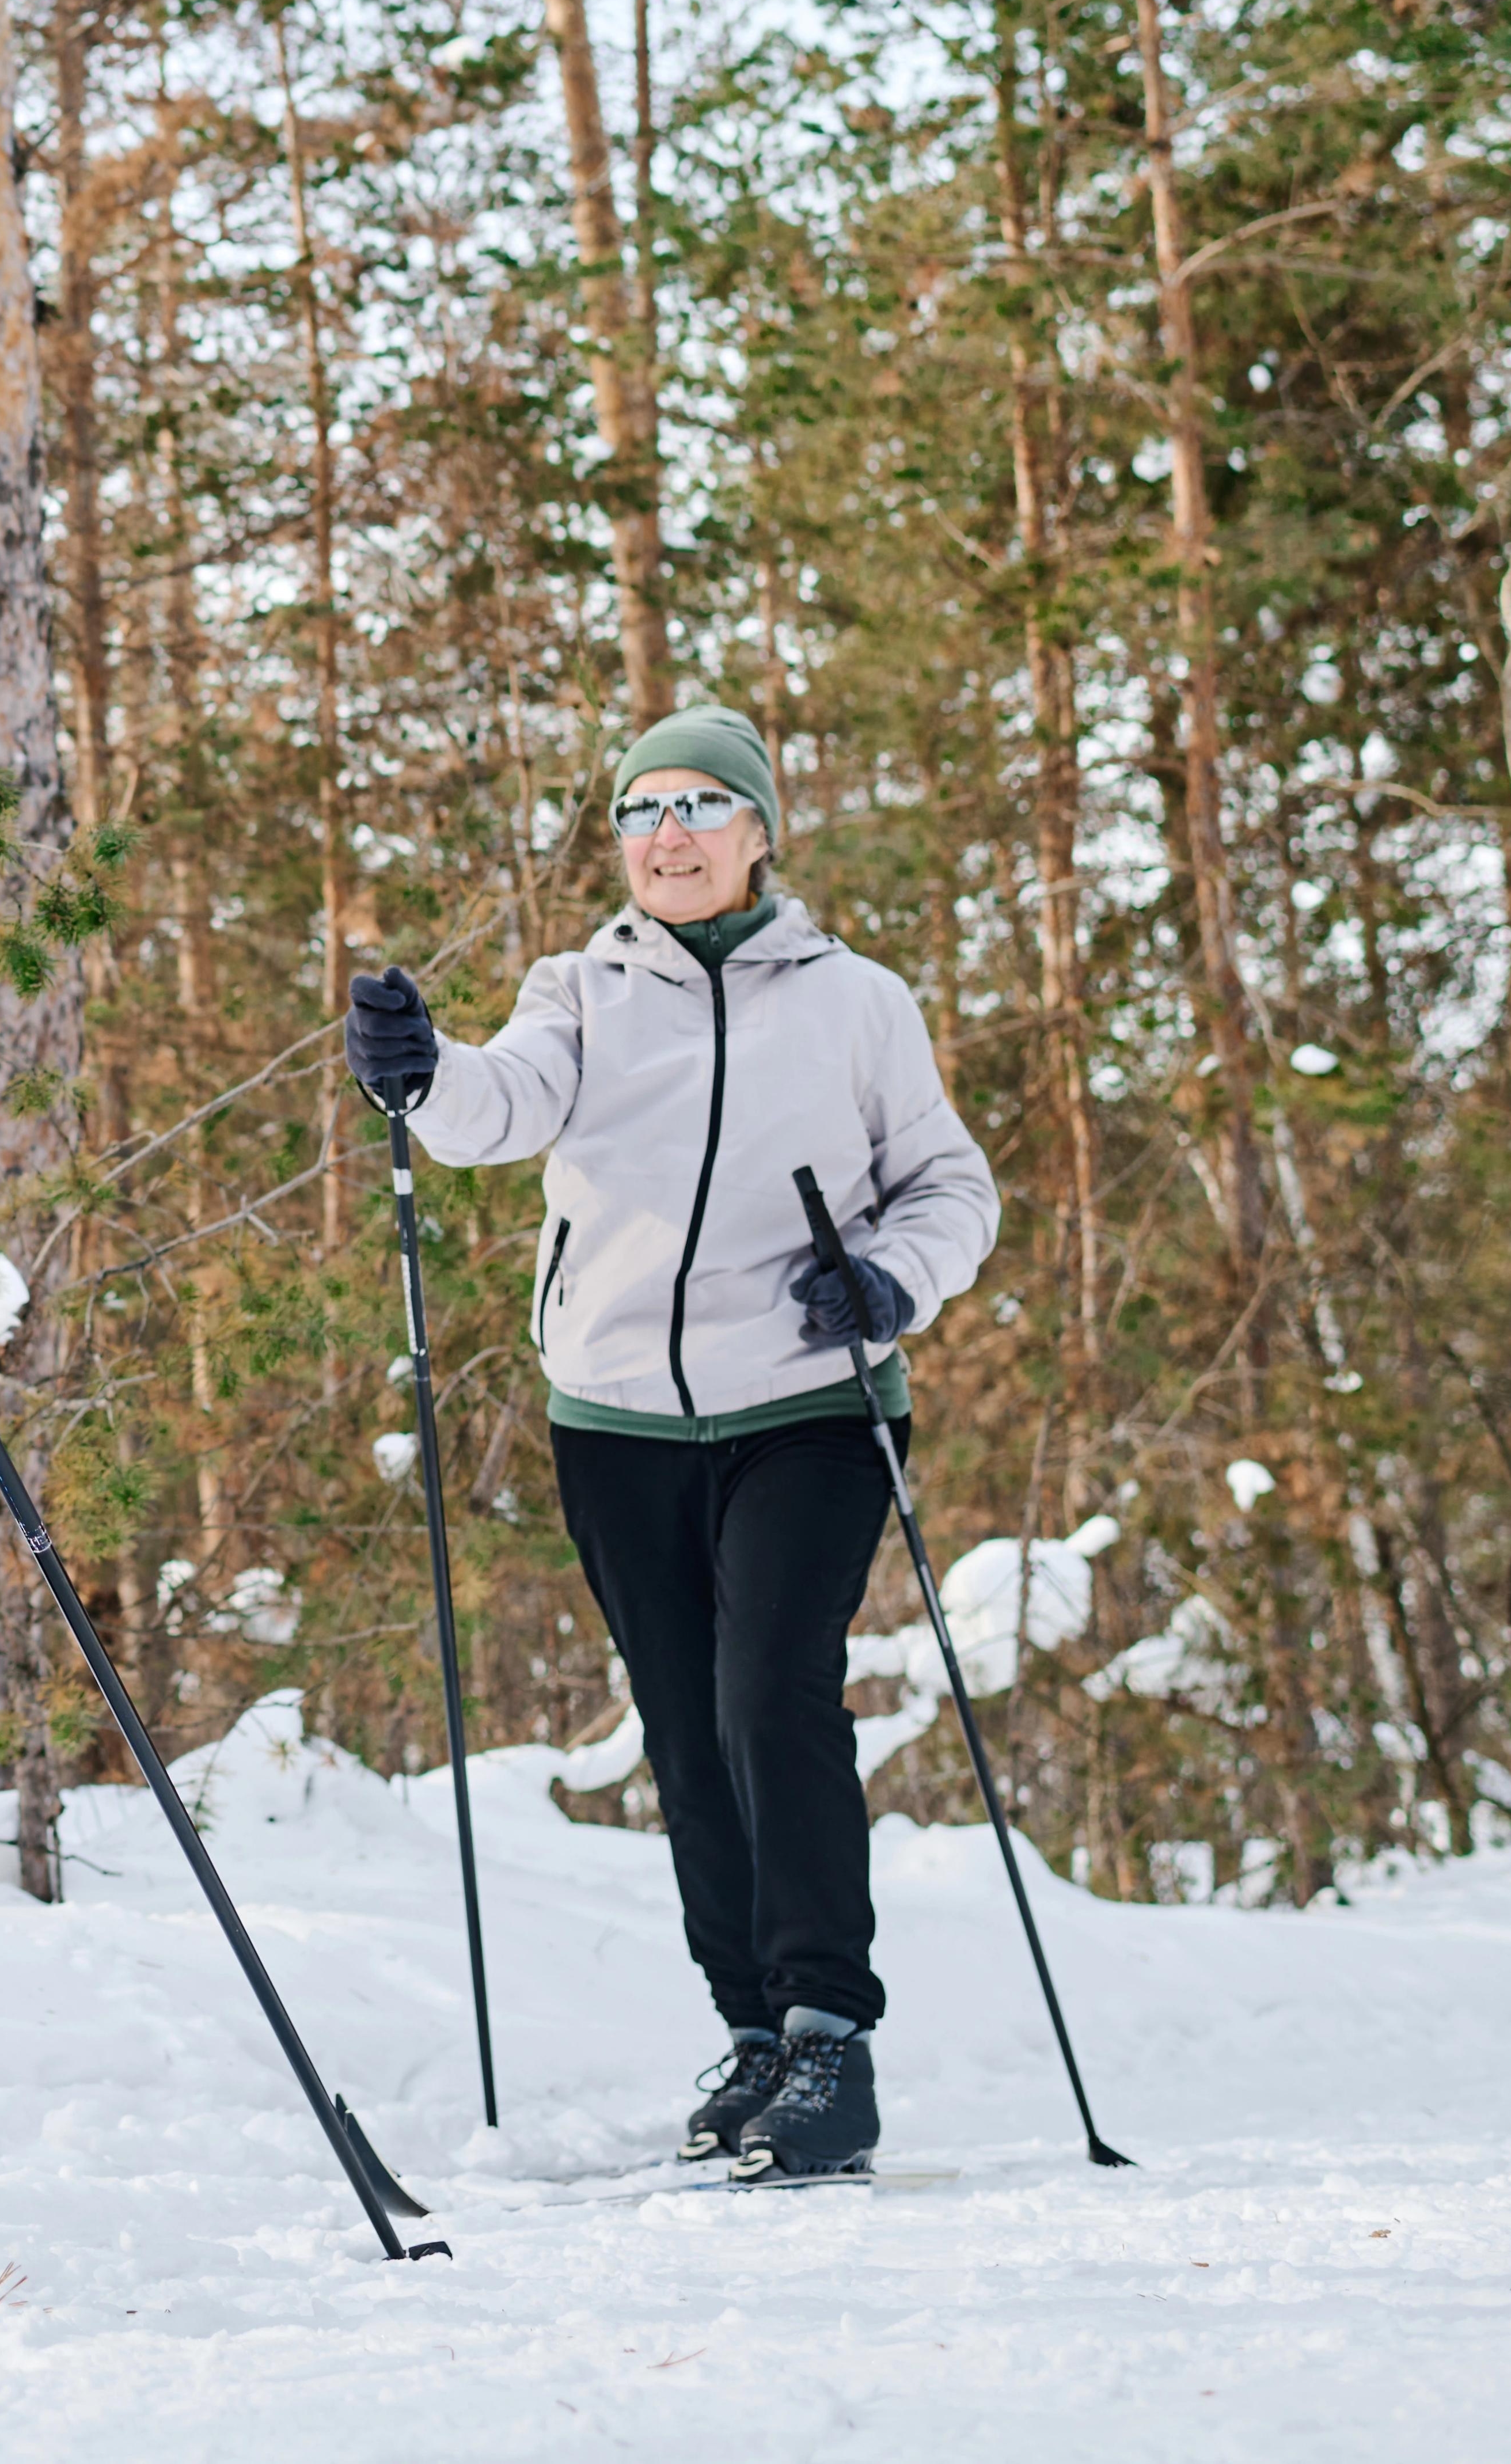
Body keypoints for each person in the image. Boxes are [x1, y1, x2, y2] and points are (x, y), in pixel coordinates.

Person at [343, 705, 996, 2182]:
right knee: (687, 1728)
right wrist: (422, 1067)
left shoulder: (855, 1001)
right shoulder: (577, 989)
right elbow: (496, 1109)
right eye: (642, 812)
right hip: (618, 1420)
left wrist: (893, 1280)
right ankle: (752, 2026)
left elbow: (950, 1186)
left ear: (762, 829)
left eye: (703, 804)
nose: (671, 834)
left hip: (811, 1400)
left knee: (774, 1691)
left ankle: (830, 2031)